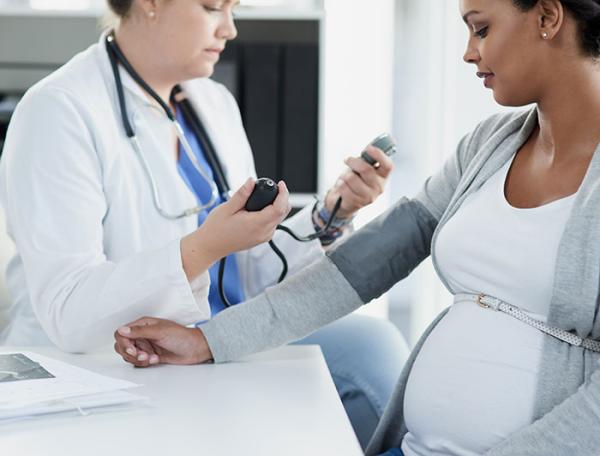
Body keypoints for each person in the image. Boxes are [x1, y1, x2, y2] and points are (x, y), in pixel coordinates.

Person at [114, 0, 600, 454]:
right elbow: (360, 267)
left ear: (548, 17)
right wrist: (210, 340)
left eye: (482, 28)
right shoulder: (489, 146)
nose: (469, 53)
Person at [0, 0, 409, 448]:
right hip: (99, 367)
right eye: (213, 7)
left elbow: (248, 274)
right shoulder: (59, 110)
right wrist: (203, 248)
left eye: (235, 9)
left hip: (215, 336)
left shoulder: (213, 103)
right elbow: (68, 312)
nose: (230, 29)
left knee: (375, 346)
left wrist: (332, 213)